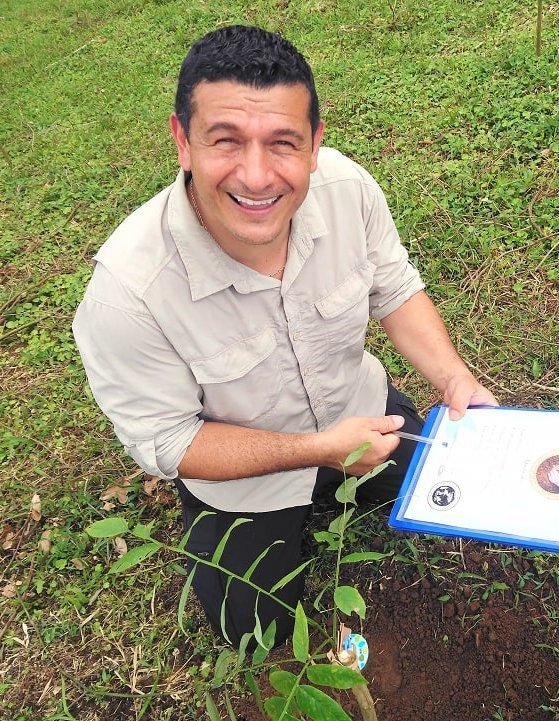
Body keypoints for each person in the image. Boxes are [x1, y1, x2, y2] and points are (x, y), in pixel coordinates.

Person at [72, 25, 497, 648]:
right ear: (182, 142)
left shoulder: (349, 190)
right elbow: (169, 442)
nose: (256, 175)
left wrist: (455, 377)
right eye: (226, 141)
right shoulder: (127, 295)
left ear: (315, 143)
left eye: (283, 143)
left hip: (363, 417)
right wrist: (319, 449)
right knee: (252, 634)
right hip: (245, 480)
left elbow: (395, 290)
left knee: (458, 497)